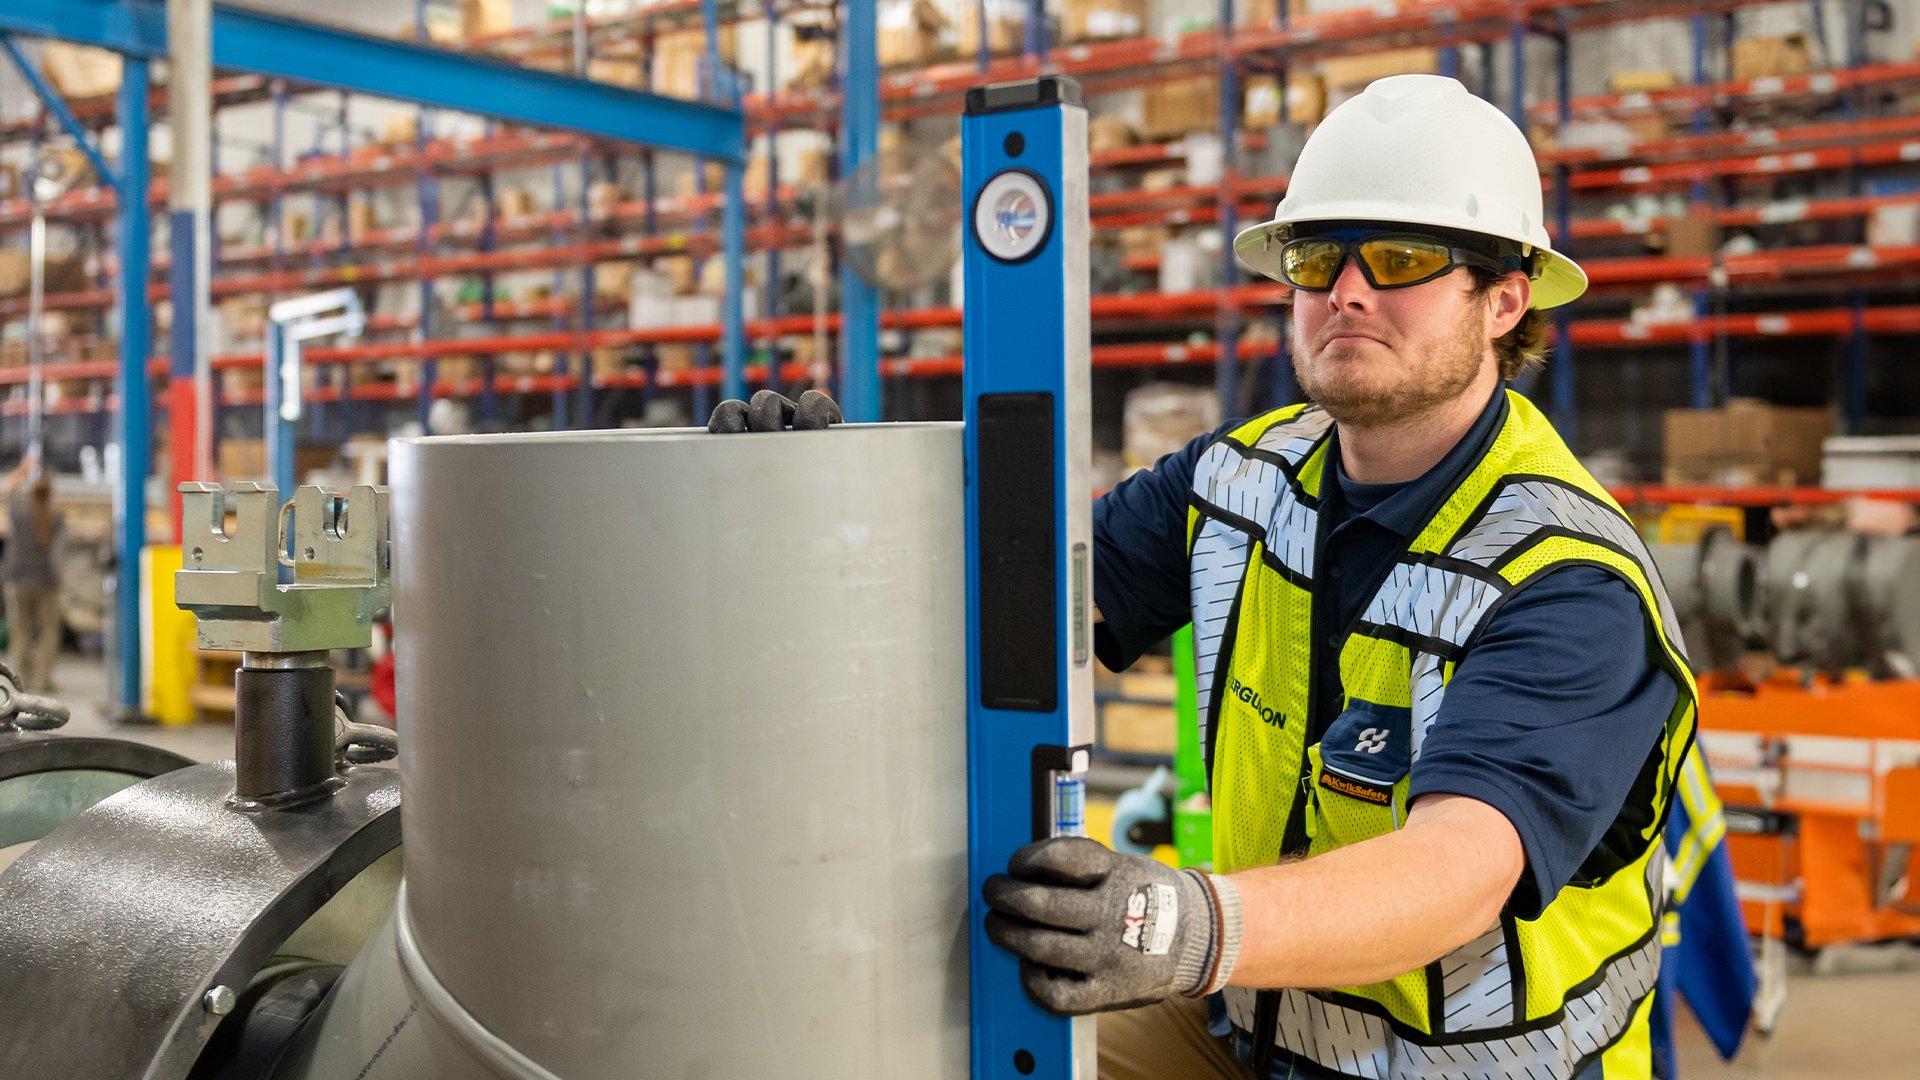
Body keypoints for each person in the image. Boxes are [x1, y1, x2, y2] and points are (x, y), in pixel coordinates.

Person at [982, 74, 1697, 1080]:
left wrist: (1178, 922)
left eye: (1400, 259)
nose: (1345, 292)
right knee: (975, 1049)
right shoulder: (1236, 479)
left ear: (1505, 299)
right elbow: (1016, 609)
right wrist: (821, 511)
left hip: (1473, 1065)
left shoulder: (1568, 580)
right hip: (1249, 1023)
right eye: (1319, 259)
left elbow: (1453, 875)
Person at [3, 458, 64, 693]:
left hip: (17, 579)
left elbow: (8, 489)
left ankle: (20, 680)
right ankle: (44, 679)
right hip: (47, 582)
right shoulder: (55, 517)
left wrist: (22, 467)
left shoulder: (18, 510)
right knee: (48, 632)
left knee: (20, 633)